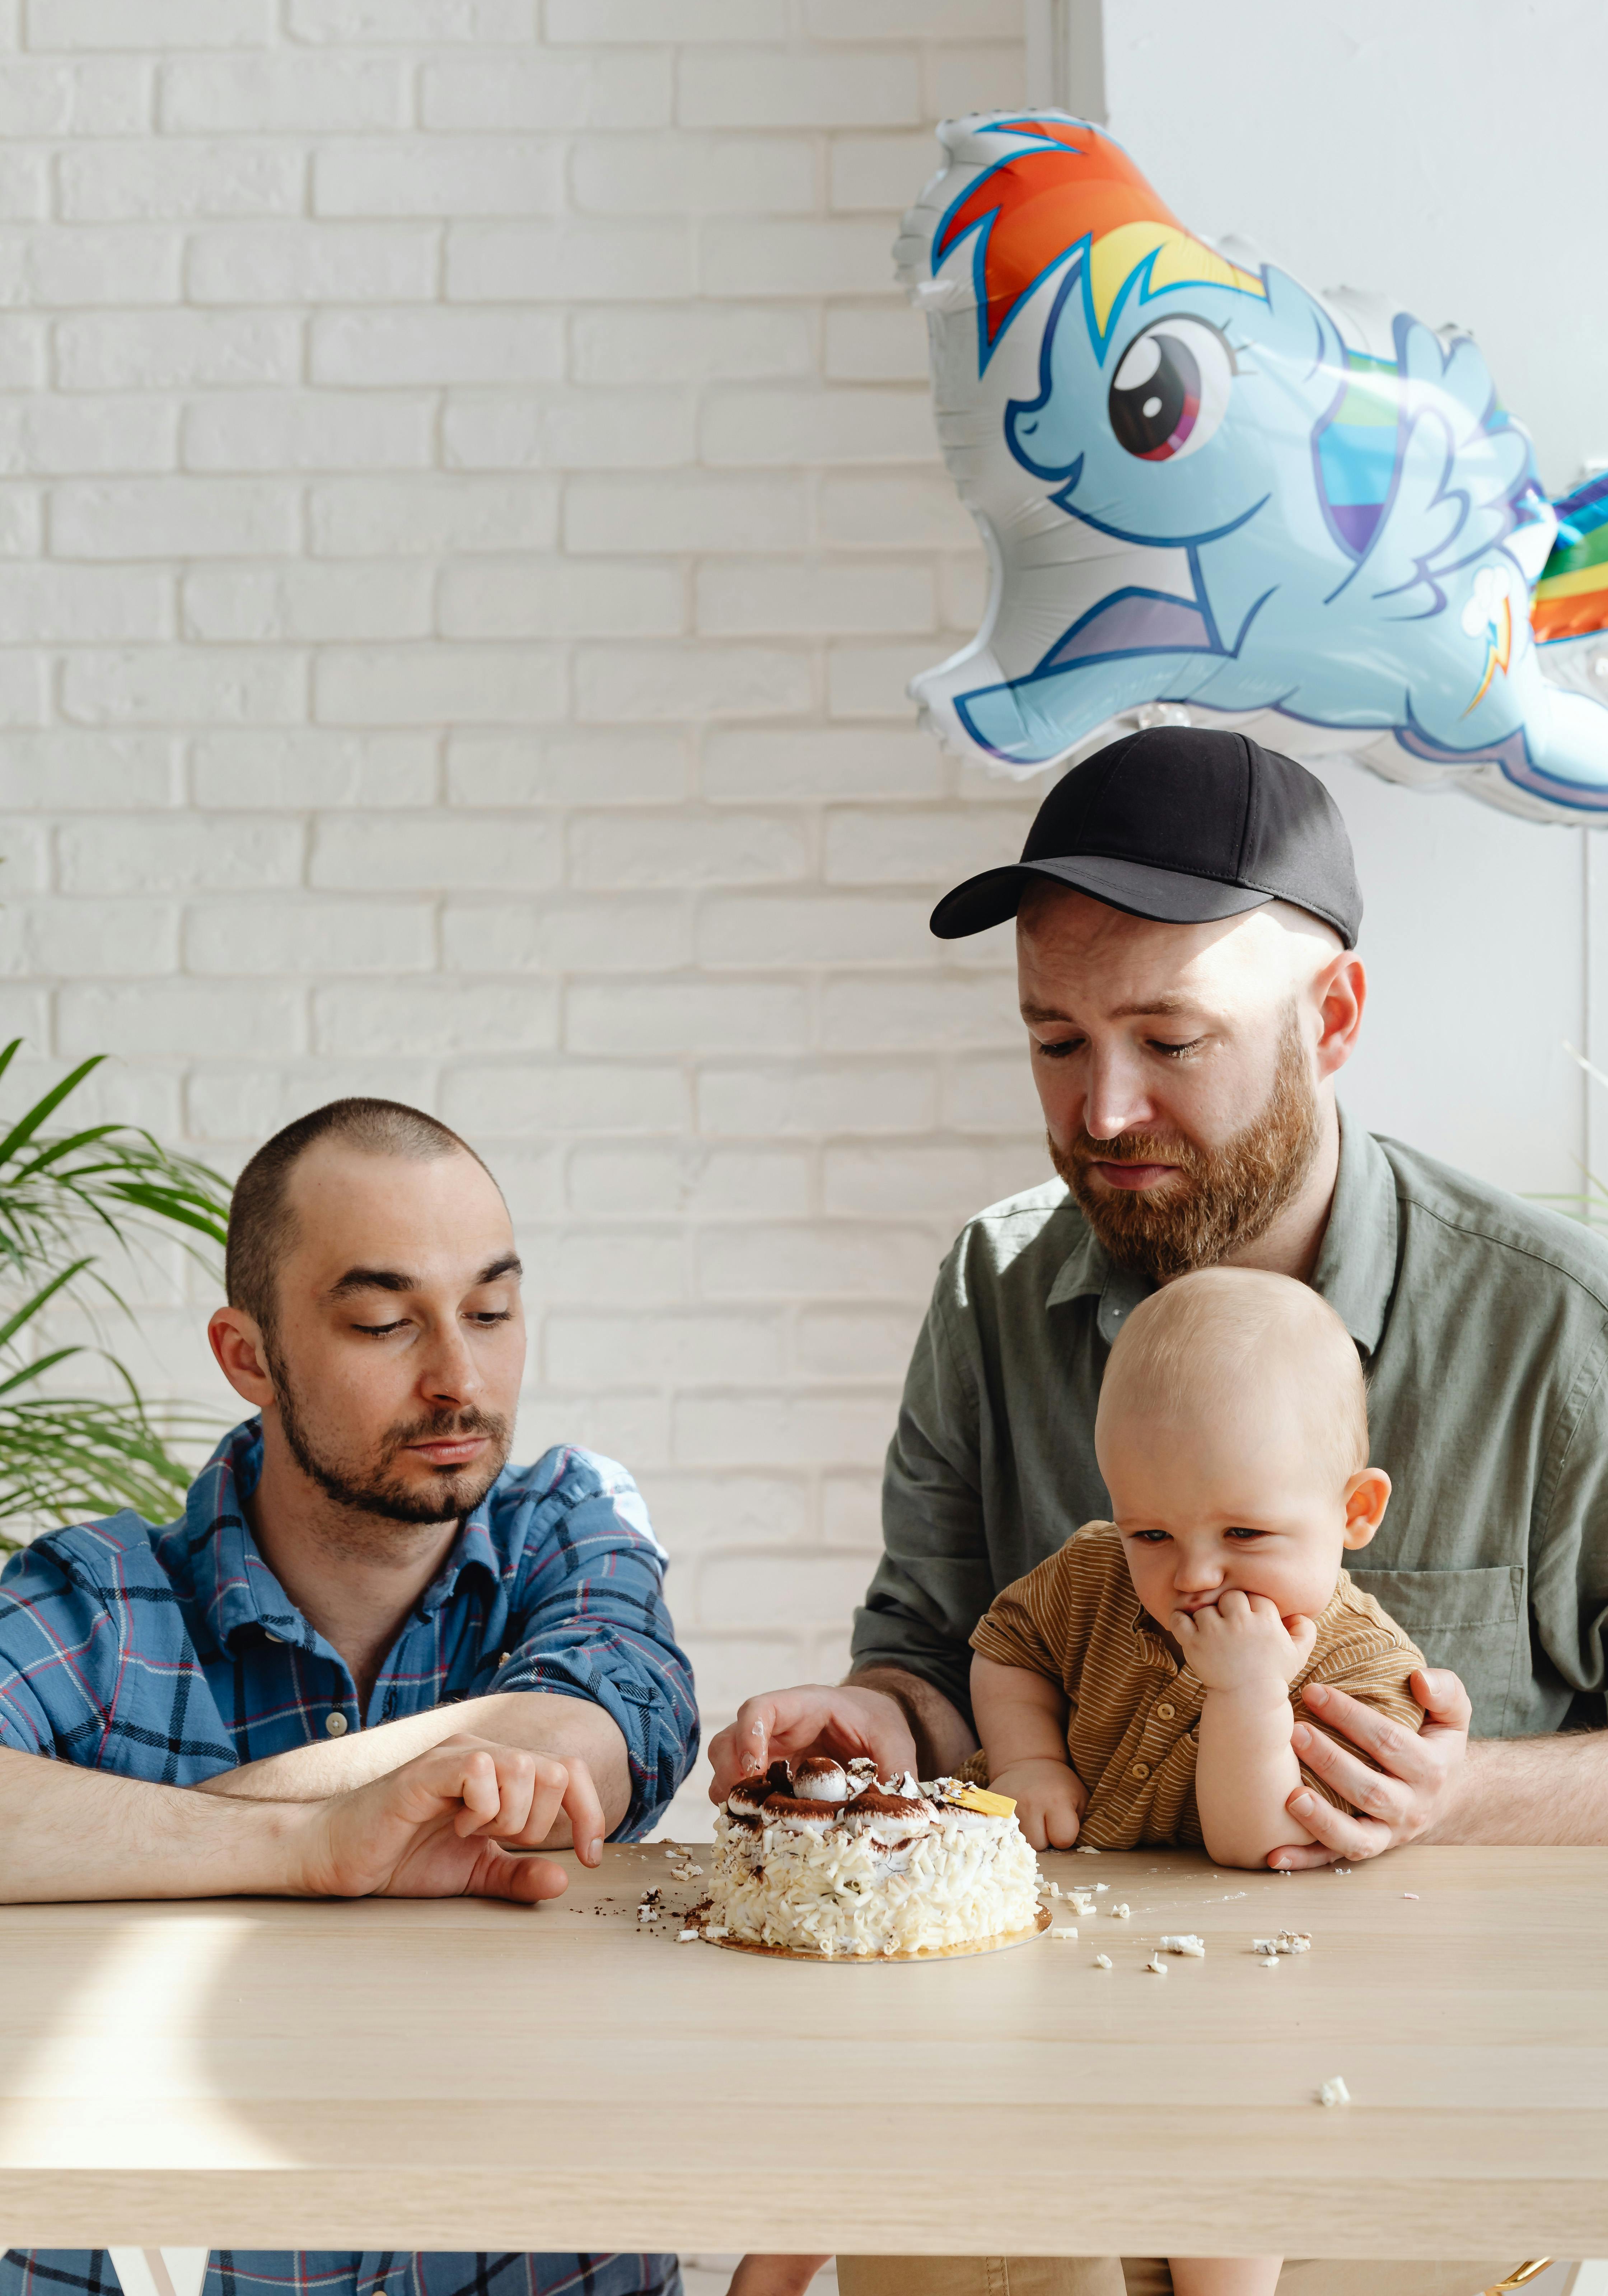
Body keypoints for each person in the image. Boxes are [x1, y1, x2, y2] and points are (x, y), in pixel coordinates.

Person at [710, 725, 1608, 2296]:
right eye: (1054, 1041)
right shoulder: (995, 1287)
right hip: (1026, 2109)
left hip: (1404, 2109)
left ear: (1330, 1020)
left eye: (1169, 1041)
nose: (1100, 1111)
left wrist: (1460, 1795)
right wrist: (864, 1725)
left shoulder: (1557, 1333)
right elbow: (930, 1652)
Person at [0, 1095, 699, 2296]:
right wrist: (309, 1843)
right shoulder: (102, 1600)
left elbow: (595, 1735)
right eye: (386, 1323)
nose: (459, 1377)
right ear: (248, 1356)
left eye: (491, 1312)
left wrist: (108, 1841)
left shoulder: (567, 1529)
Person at [971, 1266, 1423, 1871]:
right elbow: (1009, 1646)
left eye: (1244, 1533)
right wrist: (1028, 1761)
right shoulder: (1095, 1573)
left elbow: (1261, 1844)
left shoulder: (1368, 1677)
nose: (1195, 1576)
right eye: (1153, 1534)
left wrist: (1247, 1690)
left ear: (1355, 1512)